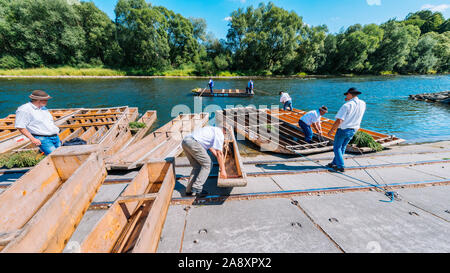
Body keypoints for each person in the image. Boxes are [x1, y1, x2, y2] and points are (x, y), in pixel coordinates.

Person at [181, 124, 228, 197]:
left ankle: (189, 190)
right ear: (224, 132)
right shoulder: (219, 133)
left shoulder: (211, 130)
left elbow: (212, 149)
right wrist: (223, 170)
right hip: (193, 143)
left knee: (197, 166)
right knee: (208, 164)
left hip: (185, 141)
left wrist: (220, 160)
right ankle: (197, 188)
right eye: (225, 134)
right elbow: (219, 153)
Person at [327, 87, 366, 172]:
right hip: (354, 129)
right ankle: (335, 162)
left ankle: (340, 166)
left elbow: (339, 120)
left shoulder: (347, 105)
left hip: (343, 129)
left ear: (350, 94)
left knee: (337, 147)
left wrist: (331, 130)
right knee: (343, 146)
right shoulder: (363, 103)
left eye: (346, 94)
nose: (345, 96)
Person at [15, 90, 61, 155]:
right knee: (55, 156)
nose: (47, 101)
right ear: (39, 100)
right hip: (42, 138)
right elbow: (20, 126)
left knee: (61, 155)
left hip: (55, 136)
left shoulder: (43, 108)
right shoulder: (24, 109)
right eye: (46, 100)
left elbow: (48, 122)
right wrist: (33, 139)